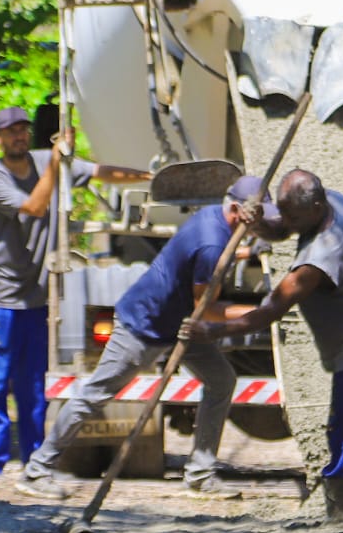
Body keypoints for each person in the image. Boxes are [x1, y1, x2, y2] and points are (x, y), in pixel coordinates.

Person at [187, 170, 343, 522]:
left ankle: (341, 512)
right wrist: (259, 224)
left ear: (314, 206)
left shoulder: (321, 256)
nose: (286, 221)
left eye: (292, 215)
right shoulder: (331, 199)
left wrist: (214, 331)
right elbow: (284, 228)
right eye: (284, 212)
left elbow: (270, 311)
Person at [14, 175, 260, 500]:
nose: (259, 221)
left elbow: (216, 255)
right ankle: (36, 471)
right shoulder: (213, 240)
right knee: (96, 394)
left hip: (178, 323)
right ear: (235, 209)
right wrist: (260, 312)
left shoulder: (211, 216)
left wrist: (248, 252)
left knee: (221, 379)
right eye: (255, 215)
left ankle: (200, 474)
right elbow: (207, 308)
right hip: (143, 325)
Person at [0, 106, 150, 475]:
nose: (18, 136)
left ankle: (37, 462)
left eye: (22, 130)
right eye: (10, 131)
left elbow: (102, 172)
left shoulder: (46, 161)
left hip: (36, 299)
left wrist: (151, 178)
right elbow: (35, 207)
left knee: (33, 389)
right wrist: (56, 163)